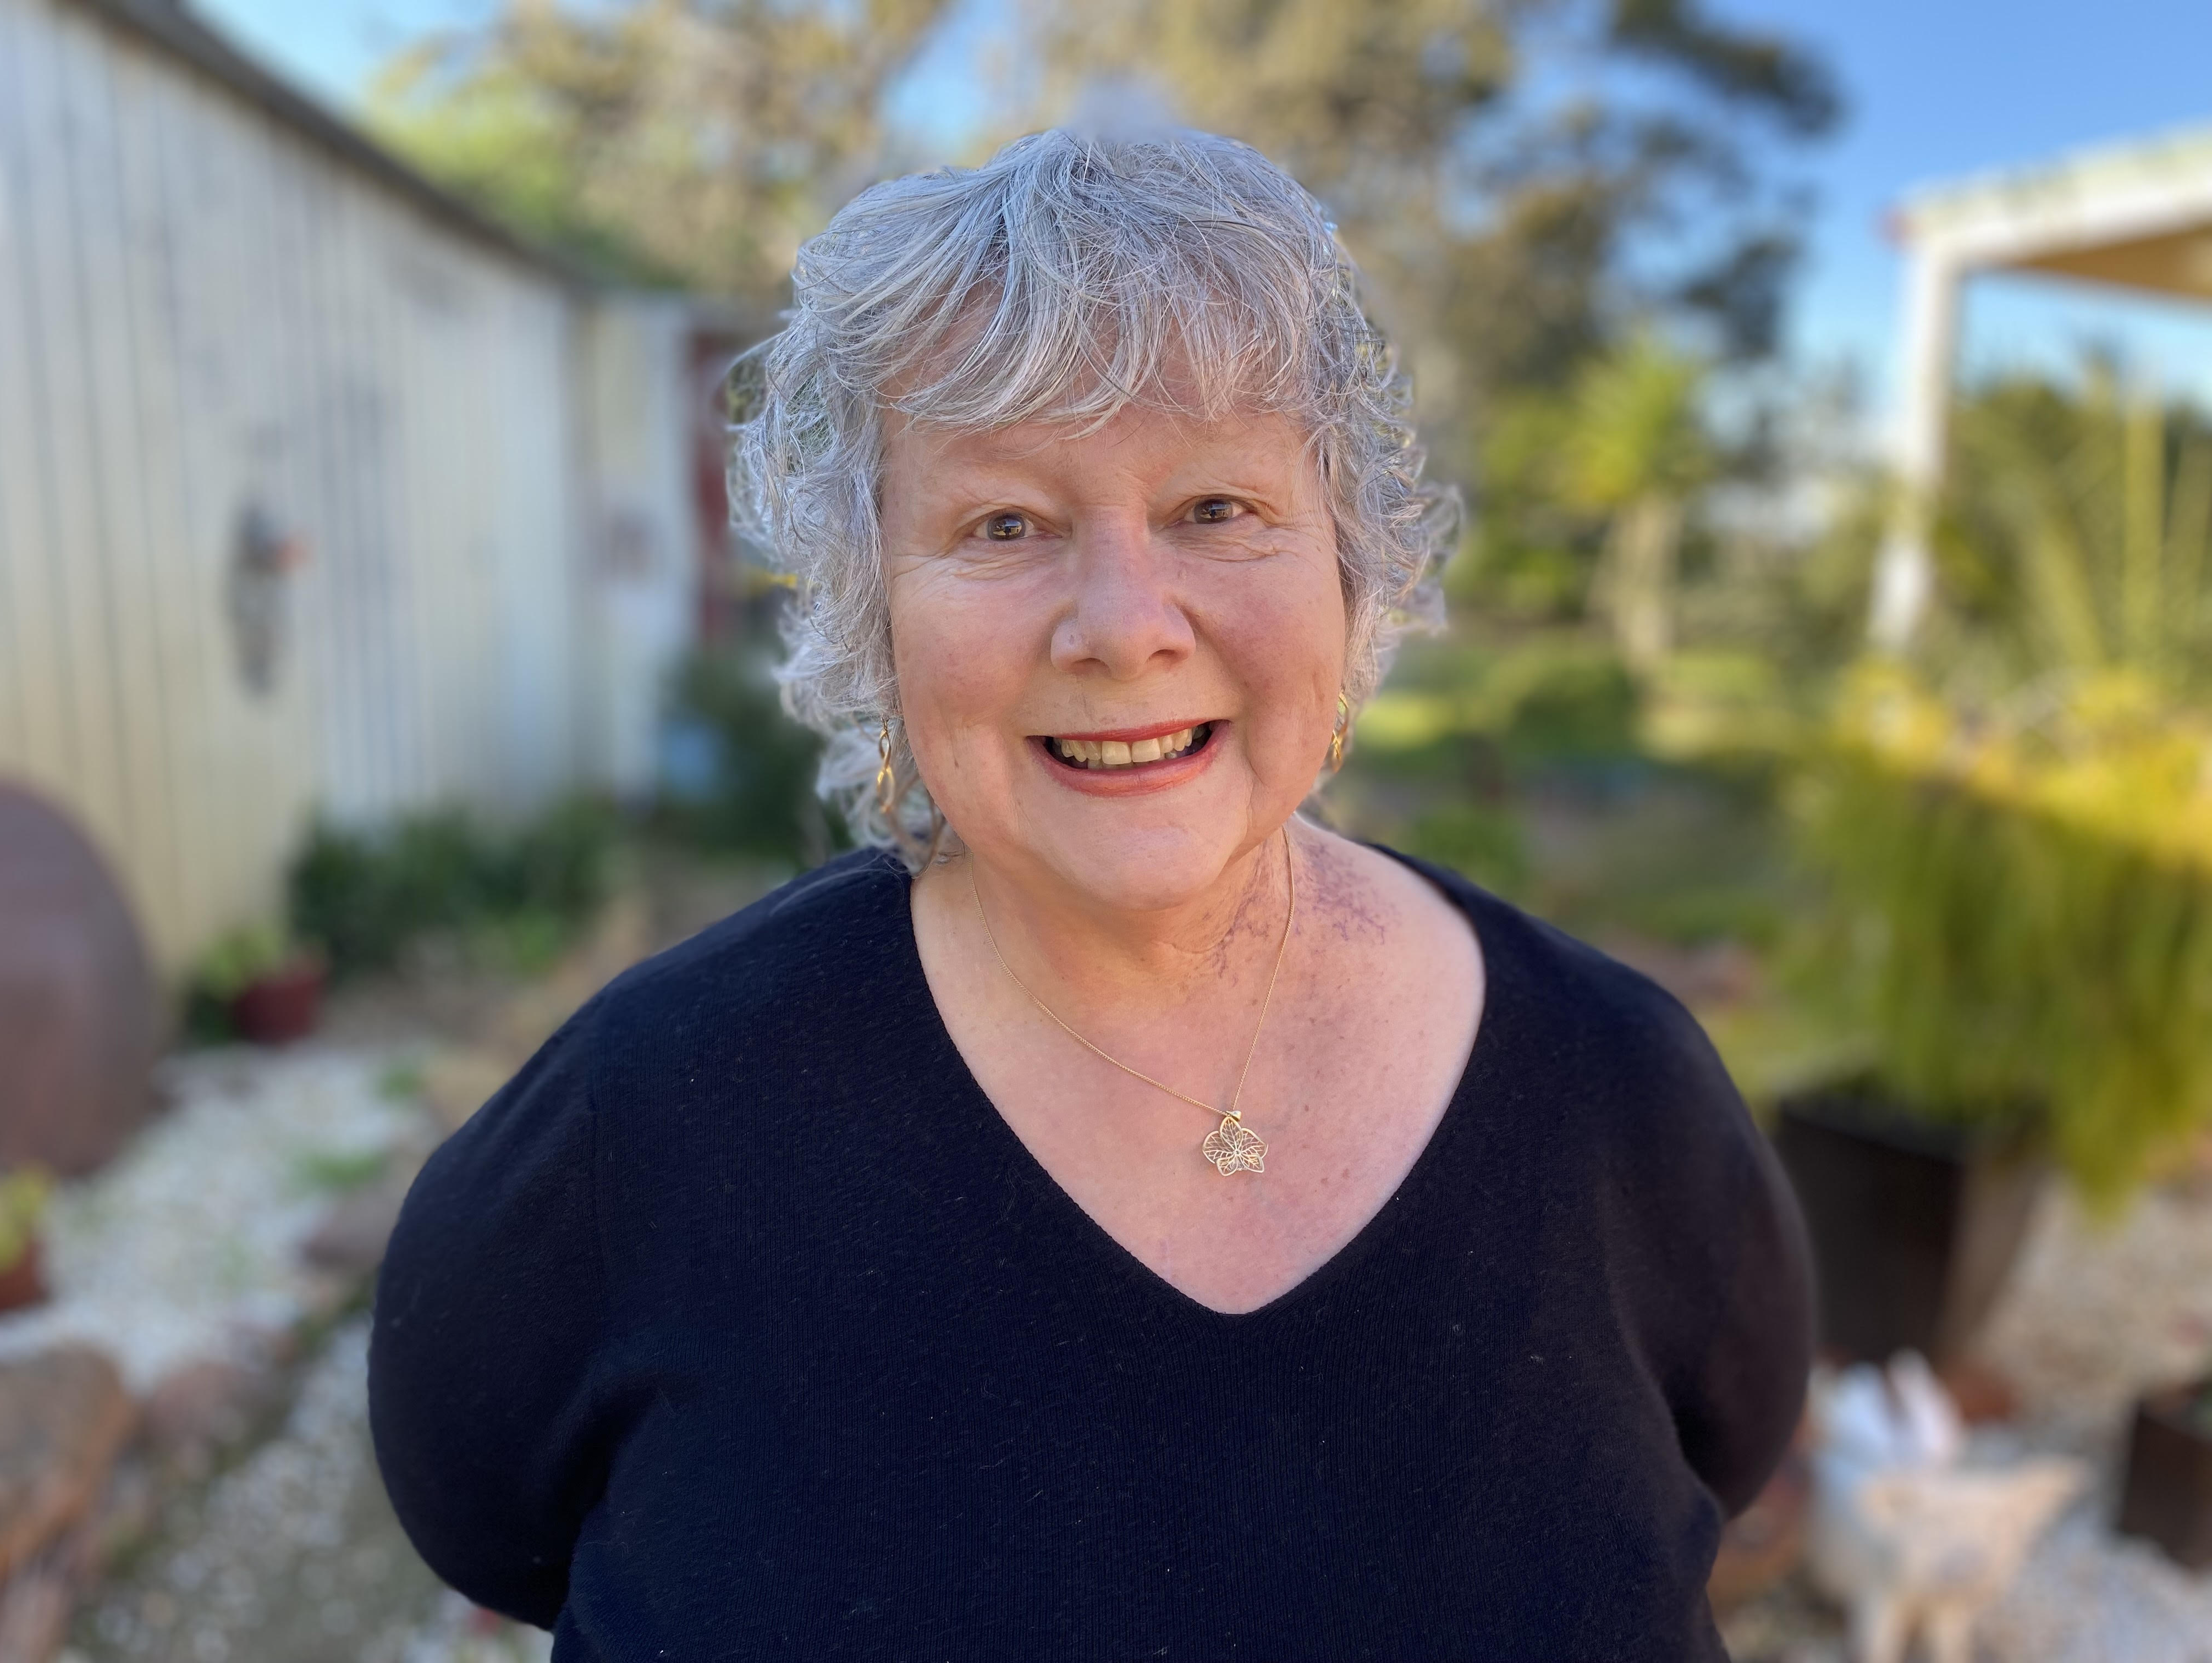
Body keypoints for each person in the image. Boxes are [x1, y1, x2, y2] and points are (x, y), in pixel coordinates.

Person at [368, 125, 1812, 1660]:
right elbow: (479, 1513)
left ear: (1352, 566)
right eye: (1005, 525)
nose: (1124, 628)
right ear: (874, 606)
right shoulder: (645, 1118)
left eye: (1215, 510)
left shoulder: (1618, 1090)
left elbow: (1726, 1456)